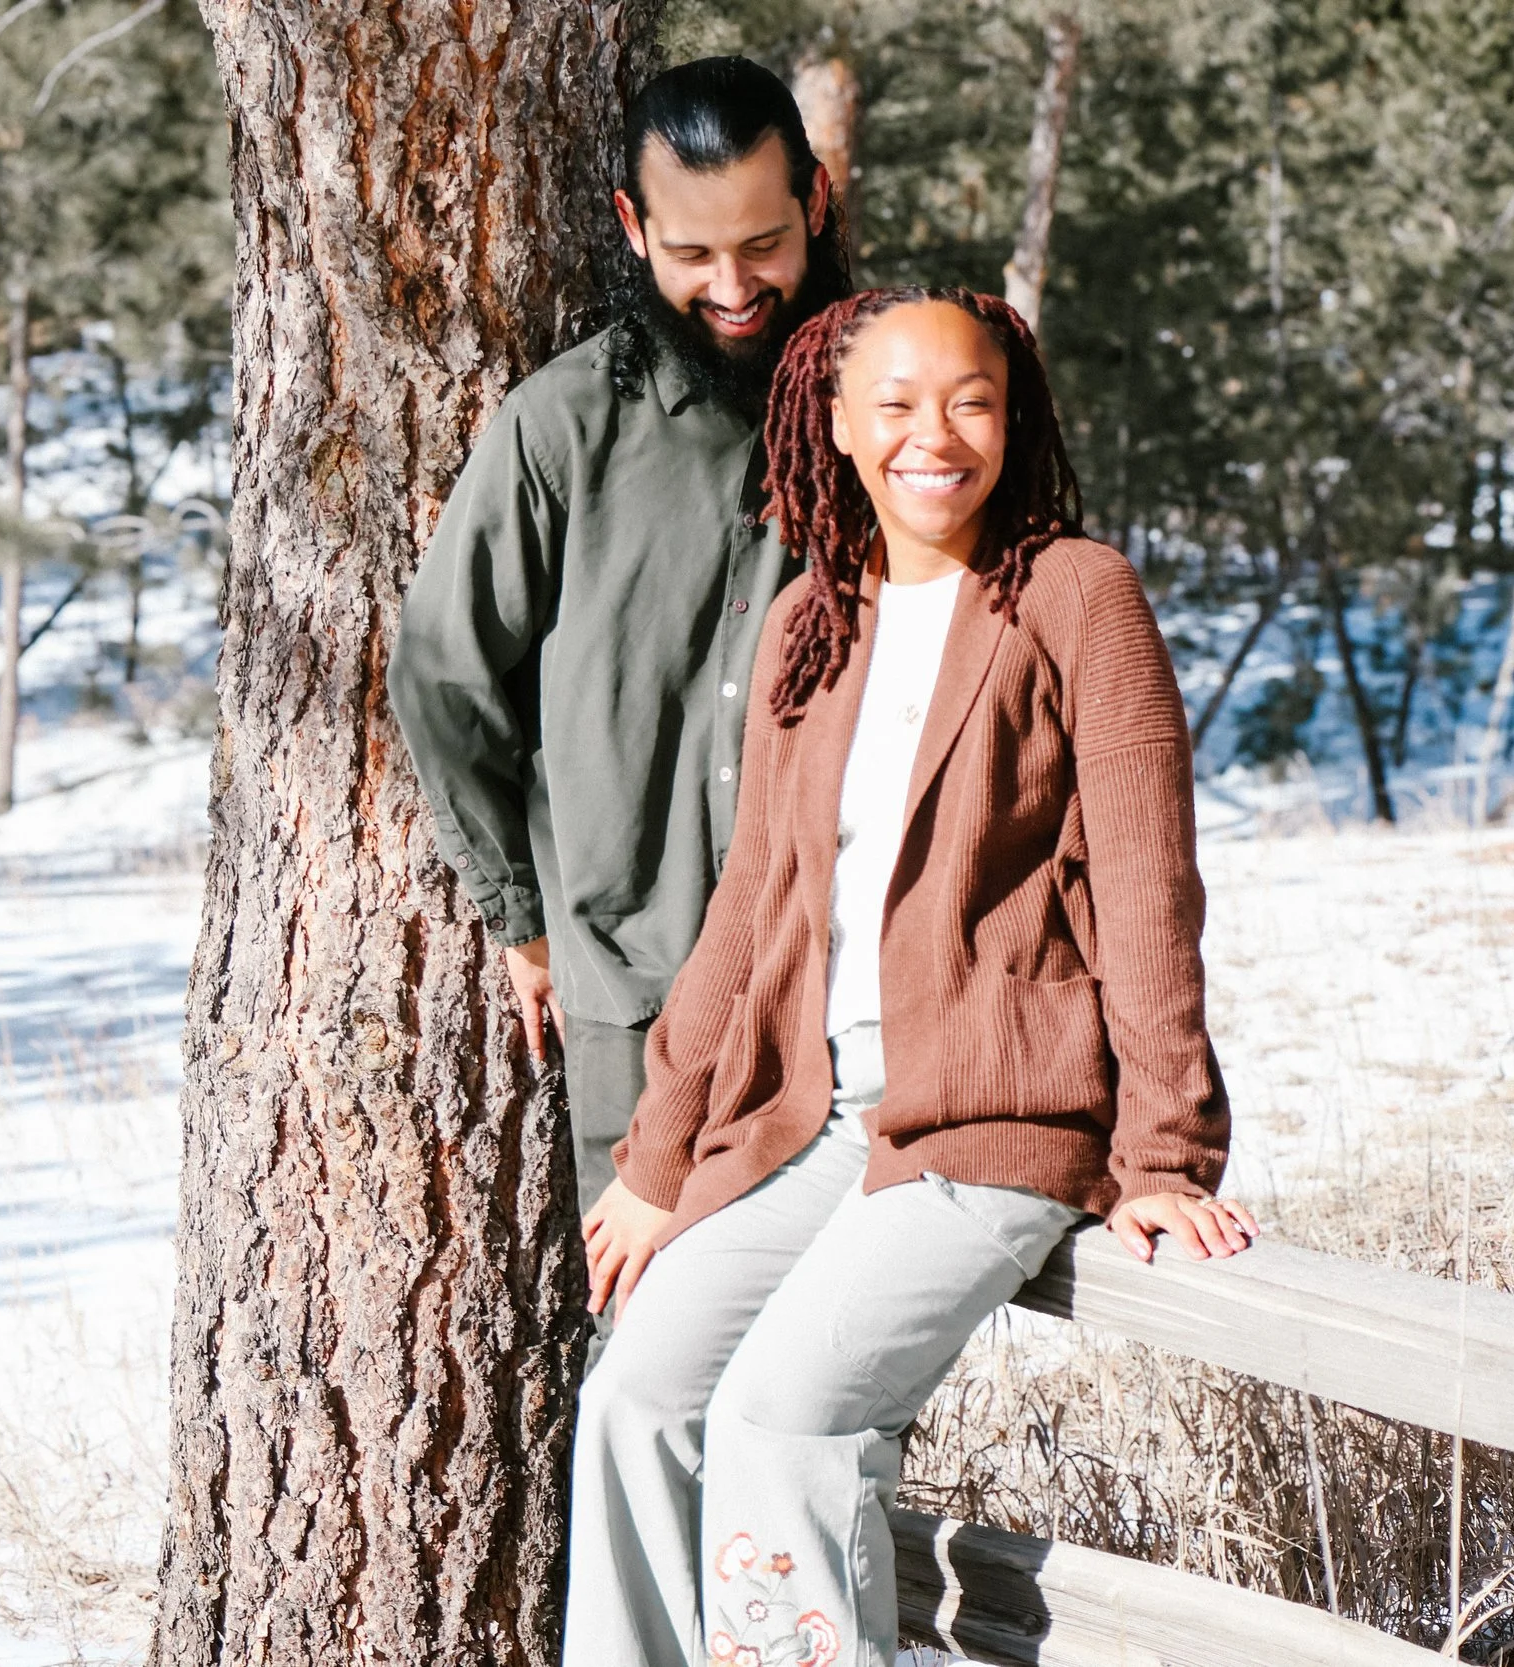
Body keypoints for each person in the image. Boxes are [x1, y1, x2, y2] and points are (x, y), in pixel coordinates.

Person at [563, 287, 1260, 1667]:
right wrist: (656, 1153)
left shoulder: (1075, 593)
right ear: (831, 419)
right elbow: (748, 912)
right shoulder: (809, 628)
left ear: (1017, 417)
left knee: (783, 1413)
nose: (935, 435)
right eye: (895, 403)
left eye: (972, 401)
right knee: (636, 1395)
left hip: (991, 1112)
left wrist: (1166, 1149)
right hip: (809, 1113)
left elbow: (1146, 886)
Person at [388, 58, 852, 1220]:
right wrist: (520, 916)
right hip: (640, 992)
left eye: (762, 242)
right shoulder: (562, 425)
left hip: (849, 987)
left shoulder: (890, 409)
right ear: (631, 229)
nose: (735, 286)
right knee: (649, 1356)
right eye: (693, 253)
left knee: (834, 1373)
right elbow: (443, 676)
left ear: (817, 202)